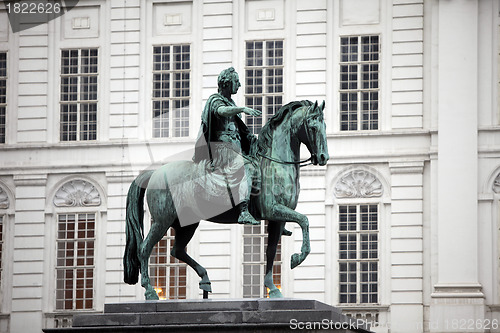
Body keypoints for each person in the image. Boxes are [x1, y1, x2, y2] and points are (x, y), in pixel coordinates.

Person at [193, 67, 261, 225]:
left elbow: (240, 130)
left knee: (259, 165)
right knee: (245, 167)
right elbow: (221, 111)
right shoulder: (215, 100)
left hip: (235, 148)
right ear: (226, 83)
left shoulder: (230, 102)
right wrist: (242, 109)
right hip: (222, 149)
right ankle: (243, 211)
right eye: (236, 82)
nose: (239, 85)